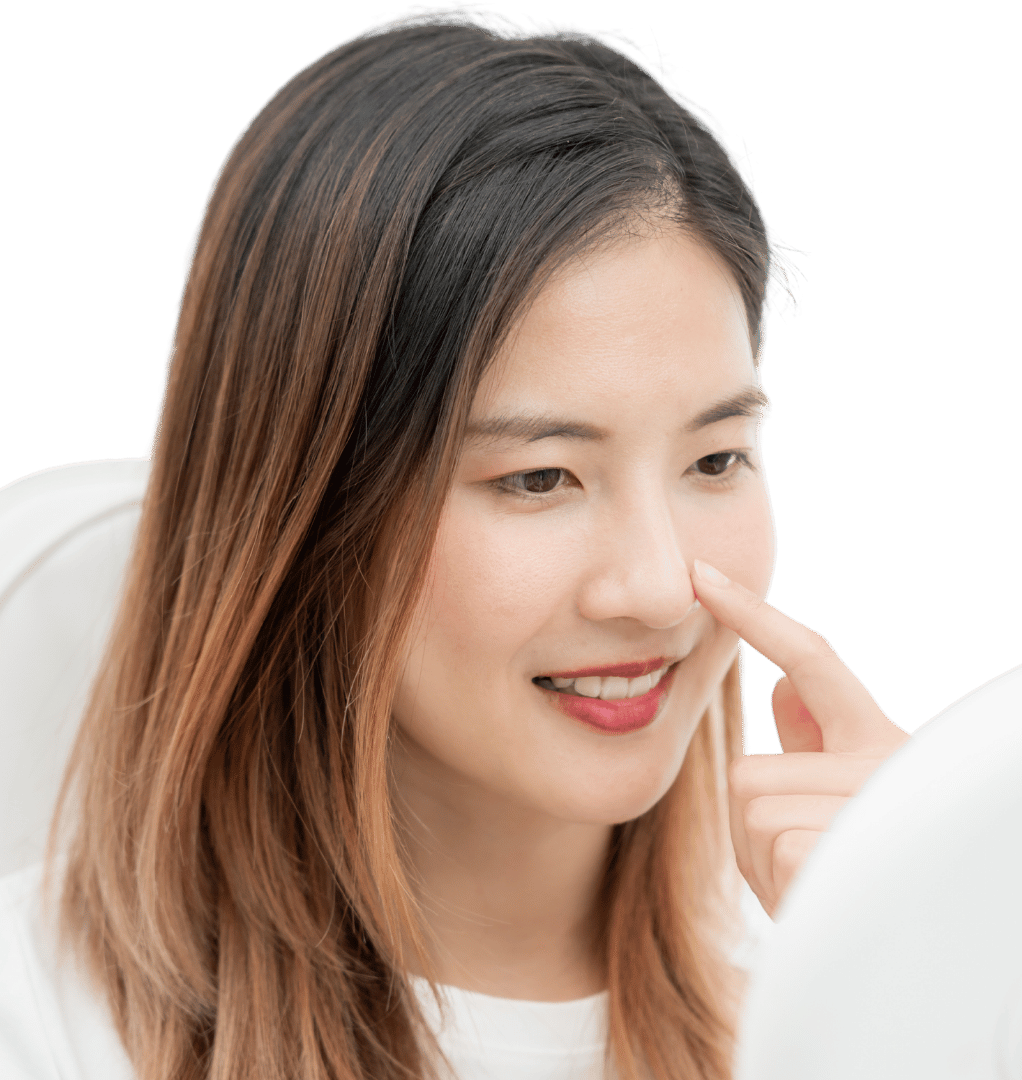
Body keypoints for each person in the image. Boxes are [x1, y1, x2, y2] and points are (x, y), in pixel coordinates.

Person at [0, 6, 910, 1080]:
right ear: (305, 503)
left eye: (716, 460)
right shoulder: (44, 1019)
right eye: (537, 478)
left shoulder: (866, 995)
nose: (661, 589)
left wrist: (938, 972)